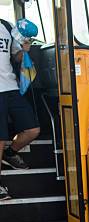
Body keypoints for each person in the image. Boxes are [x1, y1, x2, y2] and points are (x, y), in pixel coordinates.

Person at [0, 18, 40, 200]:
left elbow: (15, 56)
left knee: (33, 130)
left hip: (11, 87)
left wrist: (24, 50)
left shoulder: (7, 27)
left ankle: (10, 154)